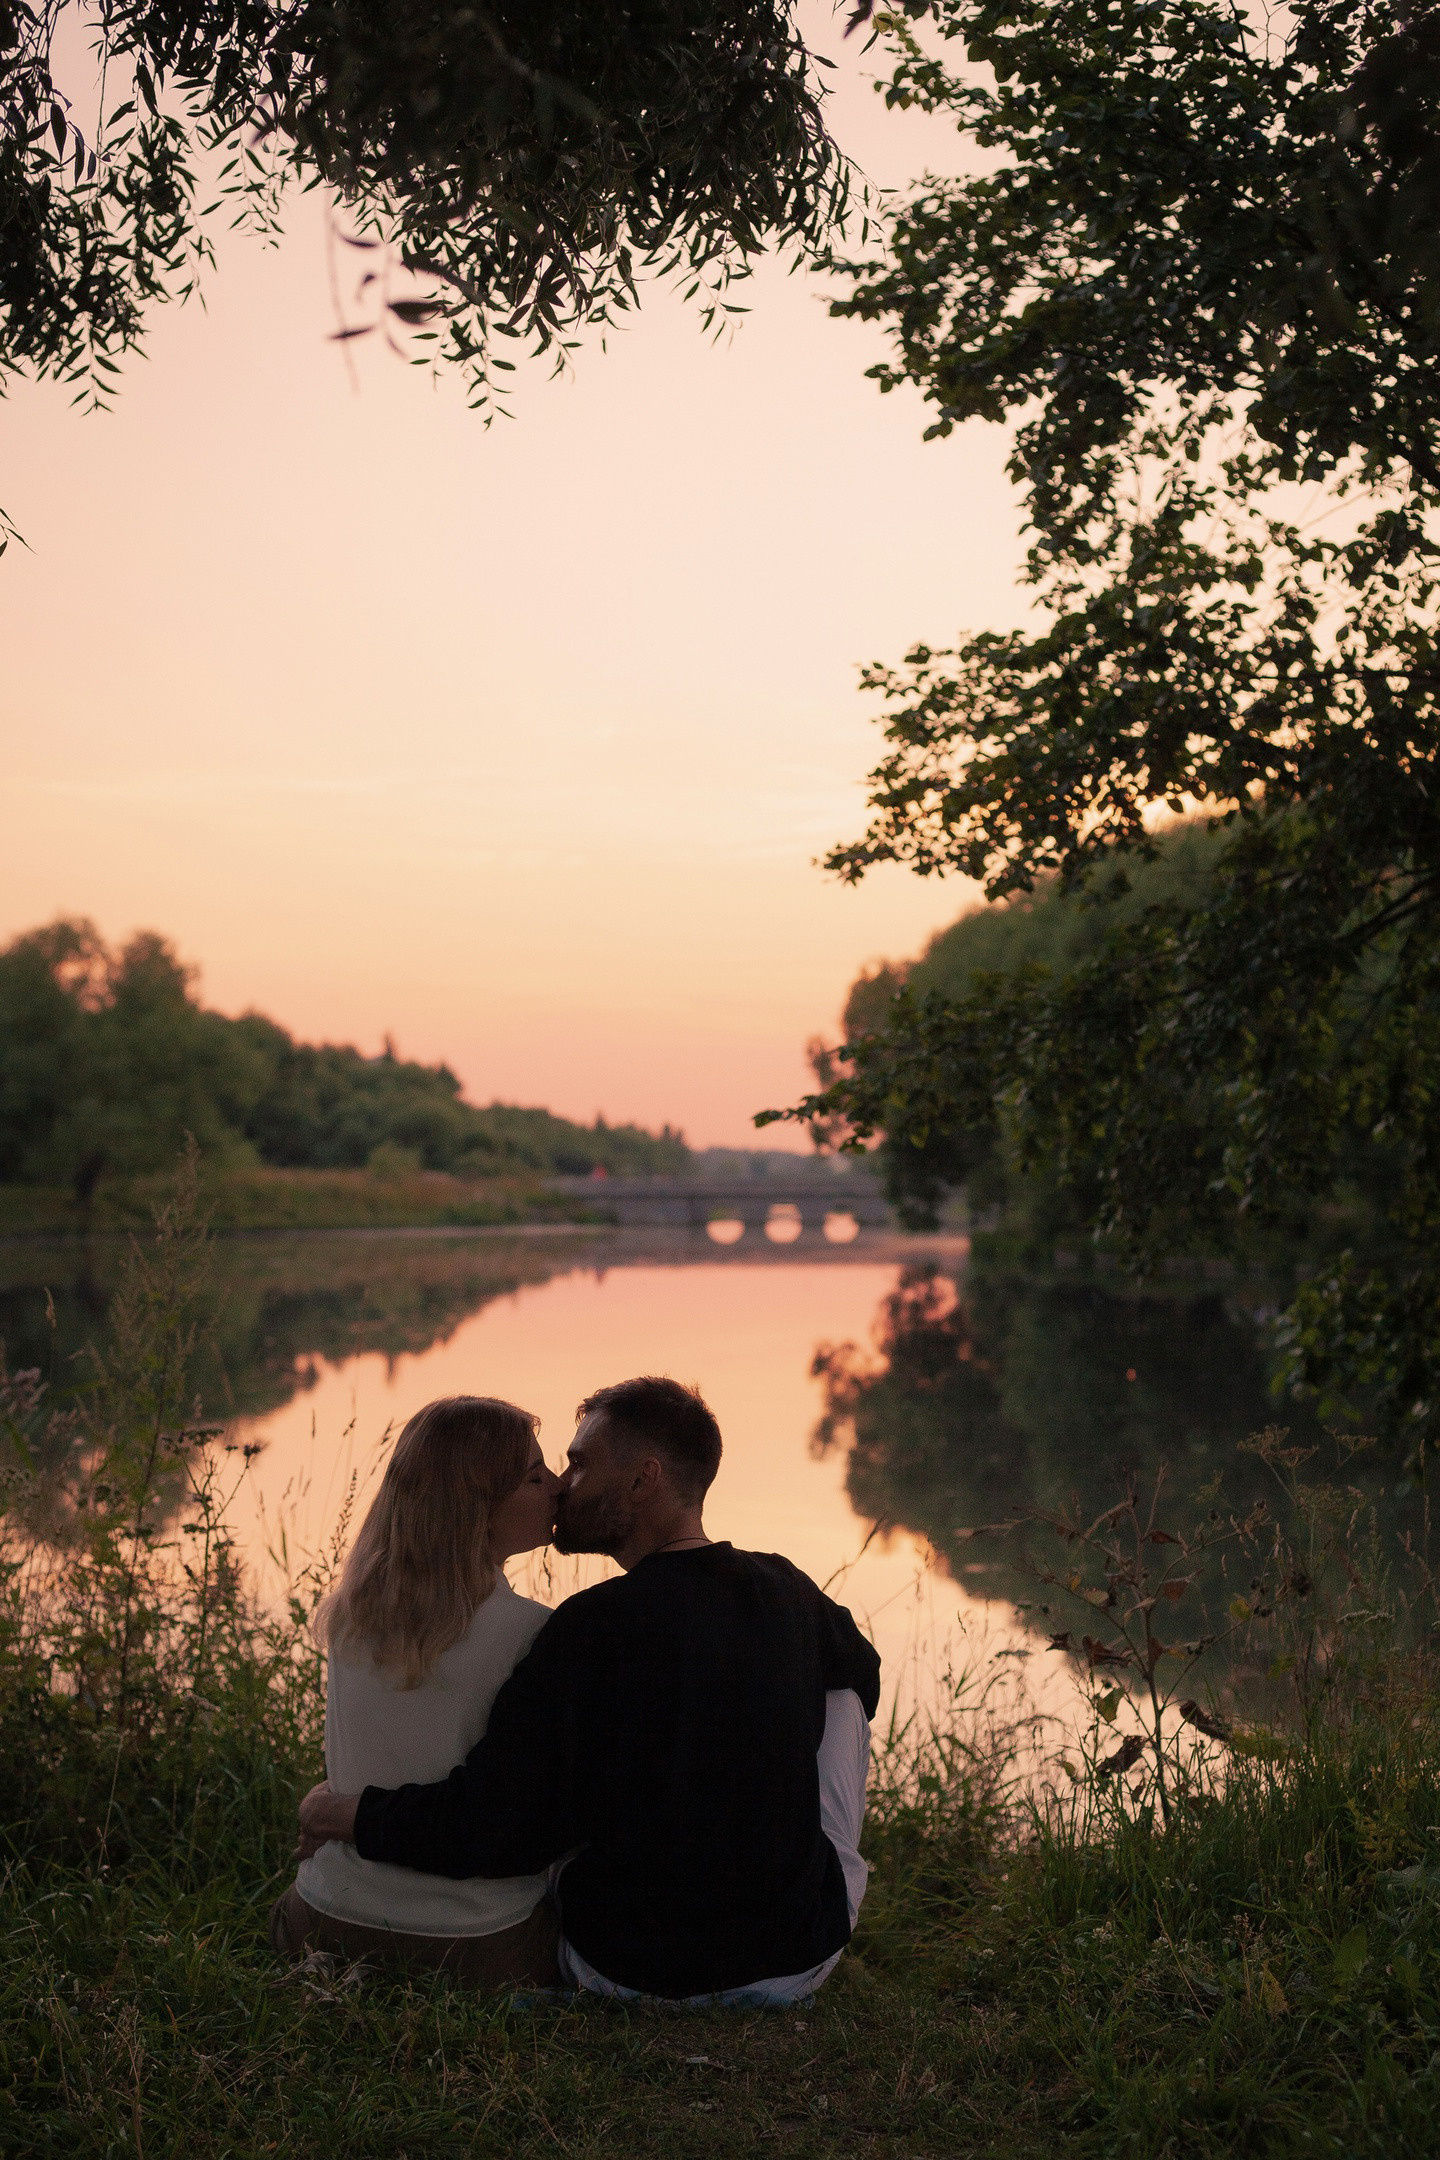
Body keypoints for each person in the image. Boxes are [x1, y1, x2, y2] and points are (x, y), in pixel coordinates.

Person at [298, 1375, 881, 2005]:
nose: (560, 1485)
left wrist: (345, 1812)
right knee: (841, 1690)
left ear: (643, 1480)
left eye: (578, 1464)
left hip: (625, 1972)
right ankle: (793, 1890)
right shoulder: (788, 1589)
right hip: (795, 1964)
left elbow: (502, 1827)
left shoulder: (587, 1627)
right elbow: (863, 1676)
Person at [270, 1393, 563, 1983]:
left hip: (326, 1916)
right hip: (476, 1942)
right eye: (535, 1477)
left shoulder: (346, 1617)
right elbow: (525, 1821)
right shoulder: (532, 1633)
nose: (558, 1486)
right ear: (476, 1508)